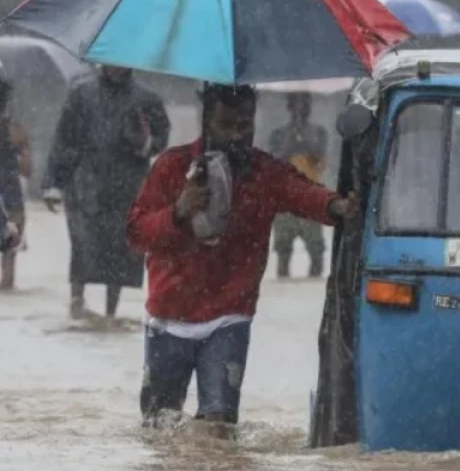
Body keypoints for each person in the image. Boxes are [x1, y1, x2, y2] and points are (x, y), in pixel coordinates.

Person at [127, 85, 358, 430]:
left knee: (219, 427)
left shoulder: (265, 172)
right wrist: (177, 212)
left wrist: (338, 206)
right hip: (167, 318)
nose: (238, 134)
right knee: (158, 426)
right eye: (227, 124)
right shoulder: (171, 168)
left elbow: (304, 193)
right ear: (206, 121)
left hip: (228, 318)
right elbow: (136, 233)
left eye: (245, 124)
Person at [43, 65, 170, 321]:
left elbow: (161, 138)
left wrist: (144, 143)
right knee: (82, 243)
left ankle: (111, 315)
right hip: (84, 183)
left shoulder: (146, 98)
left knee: (121, 247)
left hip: (127, 185)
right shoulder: (81, 92)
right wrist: (52, 183)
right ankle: (76, 304)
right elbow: (63, 139)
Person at [267, 92, 329, 278]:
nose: (301, 109)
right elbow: (275, 162)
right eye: (296, 105)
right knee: (284, 251)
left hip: (311, 196)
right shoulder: (278, 134)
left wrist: (305, 140)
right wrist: (291, 141)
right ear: (289, 108)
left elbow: (320, 157)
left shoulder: (319, 133)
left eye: (305, 105)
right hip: (285, 199)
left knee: (316, 250)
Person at [0, 69, 32, 290]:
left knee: (9, 243)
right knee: (10, 244)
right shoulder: (13, 129)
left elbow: (27, 167)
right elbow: (27, 168)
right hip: (10, 190)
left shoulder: (14, 129)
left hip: (9, 189)